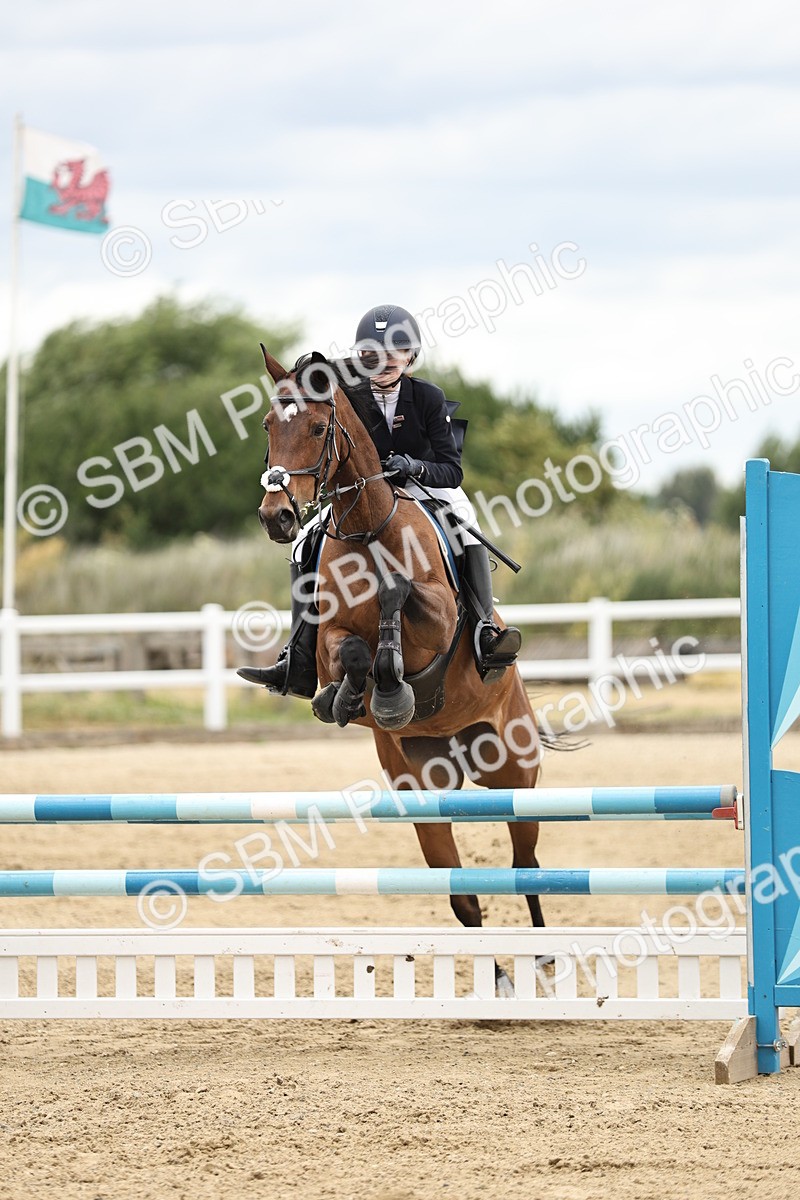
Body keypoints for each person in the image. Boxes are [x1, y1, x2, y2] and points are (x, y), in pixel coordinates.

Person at [239, 304, 521, 697]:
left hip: (423, 485)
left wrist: (414, 466)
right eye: (371, 353)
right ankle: (298, 657)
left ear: (411, 356)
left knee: (464, 515)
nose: (384, 360)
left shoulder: (428, 396)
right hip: (362, 492)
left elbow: (451, 471)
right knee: (304, 543)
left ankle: (485, 630)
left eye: (395, 352)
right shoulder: (348, 396)